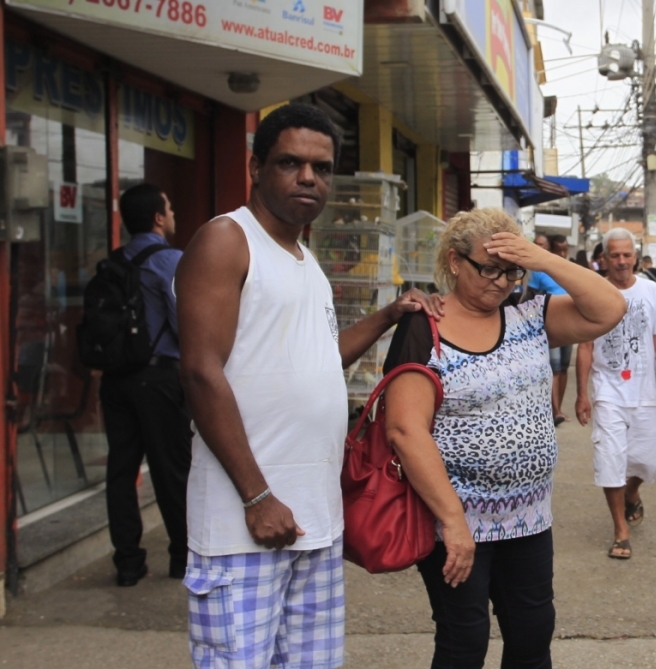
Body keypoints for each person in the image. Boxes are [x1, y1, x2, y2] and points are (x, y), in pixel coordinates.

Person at [176, 104, 441, 669]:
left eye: (320, 168)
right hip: (244, 525)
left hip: (313, 523)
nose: (307, 178)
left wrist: (390, 314)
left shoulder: (303, 257)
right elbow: (200, 371)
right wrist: (257, 496)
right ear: (255, 167)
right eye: (290, 163)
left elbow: (321, 361)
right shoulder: (228, 240)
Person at [384, 208, 625, 669]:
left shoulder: (529, 316)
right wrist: (454, 523)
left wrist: (542, 259)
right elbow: (405, 429)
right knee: (464, 641)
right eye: (488, 269)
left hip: (528, 520)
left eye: (512, 271)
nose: (501, 282)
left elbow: (609, 308)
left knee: (533, 637)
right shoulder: (423, 326)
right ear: (455, 263)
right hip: (453, 524)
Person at [98, 183, 191, 587]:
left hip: (115, 380)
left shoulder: (112, 262)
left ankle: (128, 563)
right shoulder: (171, 261)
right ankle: (182, 557)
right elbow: (185, 323)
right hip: (158, 379)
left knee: (121, 471)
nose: (172, 214)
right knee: (172, 470)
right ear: (158, 217)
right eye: (168, 208)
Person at [575, 228, 656, 560]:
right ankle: (621, 530)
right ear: (603, 258)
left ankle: (632, 493)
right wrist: (582, 394)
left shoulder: (651, 291)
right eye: (614, 255)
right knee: (610, 460)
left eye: (626, 255)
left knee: (648, 460)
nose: (621, 261)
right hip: (608, 393)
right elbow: (585, 346)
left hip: (644, 391)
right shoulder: (593, 292)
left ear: (636, 256)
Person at [527, 234, 574, 425]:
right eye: (558, 250)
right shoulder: (539, 271)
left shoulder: (570, 269)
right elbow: (530, 297)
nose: (562, 254)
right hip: (549, 325)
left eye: (565, 250)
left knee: (563, 368)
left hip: (570, 324)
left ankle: (558, 408)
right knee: (553, 368)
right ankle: (554, 411)